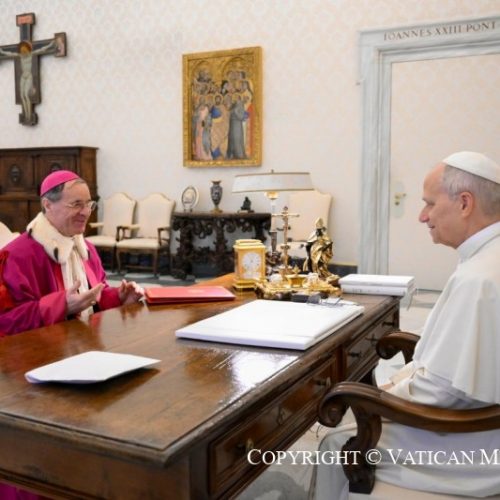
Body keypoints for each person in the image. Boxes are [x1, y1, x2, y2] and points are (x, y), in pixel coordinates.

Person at [312, 151, 500, 498]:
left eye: (429, 203)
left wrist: (380, 396)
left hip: (476, 449)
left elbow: (443, 391)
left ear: (464, 203)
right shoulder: (487, 258)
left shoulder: (480, 279)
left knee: (337, 440)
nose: (422, 216)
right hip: (481, 423)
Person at [0, 170, 144, 336]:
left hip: (88, 341)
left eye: (89, 204)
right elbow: (7, 321)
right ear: (48, 205)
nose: (86, 212)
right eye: (76, 204)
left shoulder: (86, 248)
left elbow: (93, 296)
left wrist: (119, 297)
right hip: (44, 348)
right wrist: (61, 306)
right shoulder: (15, 256)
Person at [0, 39, 57, 123]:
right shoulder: (20, 56)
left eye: (24, 50)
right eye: (21, 50)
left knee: (26, 96)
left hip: (29, 76)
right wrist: (2, 51)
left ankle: (28, 115)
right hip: (23, 77)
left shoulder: (31, 54)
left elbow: (42, 49)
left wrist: (50, 44)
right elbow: (10, 54)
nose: (23, 51)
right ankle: (26, 116)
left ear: (27, 49)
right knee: (22, 96)